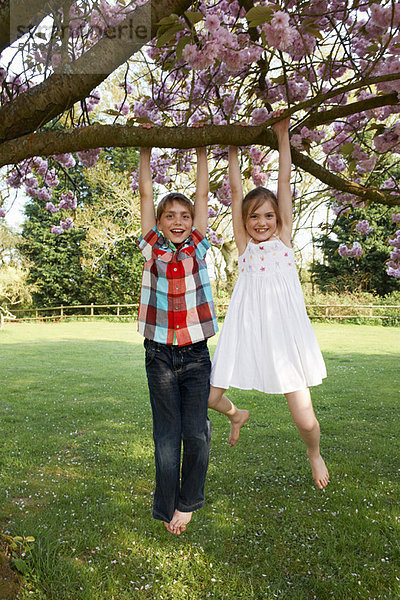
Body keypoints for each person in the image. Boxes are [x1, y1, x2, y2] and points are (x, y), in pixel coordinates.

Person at [208, 111, 329, 489]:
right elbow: (232, 191)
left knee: (305, 419)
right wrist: (231, 148)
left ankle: (314, 452)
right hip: (246, 334)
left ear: (279, 218)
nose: (261, 222)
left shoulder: (284, 243)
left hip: (285, 342)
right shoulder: (245, 248)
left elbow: (285, 182)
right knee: (211, 397)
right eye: (253, 217)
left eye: (268, 215)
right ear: (244, 222)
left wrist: (283, 137)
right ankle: (236, 414)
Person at [137, 141, 218, 535]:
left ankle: (189, 502)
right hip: (159, 355)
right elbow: (146, 192)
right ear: (160, 221)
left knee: (196, 434)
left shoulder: (198, 249)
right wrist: (144, 152)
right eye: (170, 215)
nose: (179, 220)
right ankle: (168, 505)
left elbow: (203, 193)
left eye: (185, 215)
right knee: (167, 438)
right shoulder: (152, 247)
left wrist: (202, 151)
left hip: (196, 355)